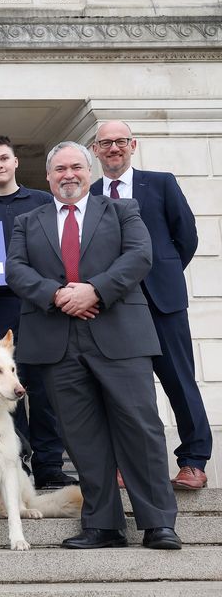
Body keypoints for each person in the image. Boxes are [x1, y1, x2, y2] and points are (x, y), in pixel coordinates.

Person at [6, 141, 180, 550]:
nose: (68, 174)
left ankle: (158, 523)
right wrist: (57, 295)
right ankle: (102, 524)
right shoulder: (28, 221)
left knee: (140, 428)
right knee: (82, 437)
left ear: (90, 171)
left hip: (119, 335)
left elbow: (140, 255)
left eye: (76, 167)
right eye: (60, 169)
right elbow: (15, 269)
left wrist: (95, 291)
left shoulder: (123, 210)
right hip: (57, 339)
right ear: (47, 177)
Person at [90, 120, 210, 491]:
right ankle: (128, 462)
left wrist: (163, 276)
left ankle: (193, 461)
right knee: (124, 390)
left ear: (133, 145)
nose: (114, 148)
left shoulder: (160, 183)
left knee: (179, 380)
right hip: (114, 307)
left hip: (162, 302)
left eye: (120, 141)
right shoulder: (90, 194)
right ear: (95, 150)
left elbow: (185, 237)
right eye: (106, 143)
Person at [0, 136, 74, 490]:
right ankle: (17, 460)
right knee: (5, 388)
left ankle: (50, 464)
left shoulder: (43, 201)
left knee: (42, 386)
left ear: (15, 162)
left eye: (4, 158)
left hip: (41, 306)